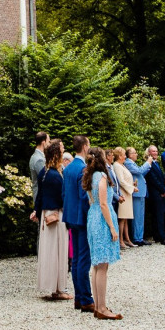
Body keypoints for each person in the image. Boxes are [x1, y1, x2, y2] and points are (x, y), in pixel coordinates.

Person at [84, 149, 123, 320]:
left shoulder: (89, 176)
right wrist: (113, 228)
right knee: (102, 265)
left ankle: (99, 305)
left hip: (92, 217)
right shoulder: (101, 176)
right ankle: (101, 307)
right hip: (101, 220)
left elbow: (91, 200)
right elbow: (103, 204)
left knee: (97, 264)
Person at [31, 140, 69, 299]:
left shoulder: (45, 173)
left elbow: (39, 195)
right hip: (55, 216)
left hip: (46, 216)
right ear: (57, 154)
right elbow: (62, 197)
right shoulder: (55, 175)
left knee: (49, 251)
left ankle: (53, 286)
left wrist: (37, 211)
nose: (64, 149)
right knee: (58, 251)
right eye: (61, 148)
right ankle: (58, 289)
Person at [61, 136, 93, 311]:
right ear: (85, 147)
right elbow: (83, 197)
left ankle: (79, 298)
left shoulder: (68, 168)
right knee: (83, 259)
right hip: (81, 218)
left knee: (75, 260)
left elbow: (64, 194)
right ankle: (86, 298)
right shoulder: (82, 169)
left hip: (71, 217)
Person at [143, 144, 165, 245]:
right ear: (149, 153)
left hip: (161, 191)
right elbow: (153, 179)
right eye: (153, 151)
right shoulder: (149, 164)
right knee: (157, 215)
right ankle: (161, 237)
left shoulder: (156, 163)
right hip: (155, 193)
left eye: (156, 151)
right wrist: (163, 189)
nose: (155, 153)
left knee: (160, 214)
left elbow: (161, 177)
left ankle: (158, 236)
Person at [111, 147, 137, 249]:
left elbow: (125, 179)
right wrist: (132, 188)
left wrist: (132, 184)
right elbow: (121, 181)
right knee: (122, 218)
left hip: (127, 193)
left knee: (126, 218)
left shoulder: (122, 165)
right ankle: (121, 241)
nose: (125, 156)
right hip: (124, 193)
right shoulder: (117, 166)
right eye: (124, 155)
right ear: (119, 156)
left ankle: (127, 239)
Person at [123, 148, 147, 245]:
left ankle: (140, 236)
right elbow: (139, 171)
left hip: (140, 192)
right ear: (129, 155)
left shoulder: (132, 163)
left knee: (140, 216)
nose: (136, 154)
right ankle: (137, 238)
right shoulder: (128, 163)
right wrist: (147, 163)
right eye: (134, 153)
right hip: (136, 193)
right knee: (137, 216)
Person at [29, 130, 51, 198]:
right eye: (48, 142)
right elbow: (45, 179)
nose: (49, 144)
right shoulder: (39, 159)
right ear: (43, 142)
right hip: (41, 197)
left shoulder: (36, 156)